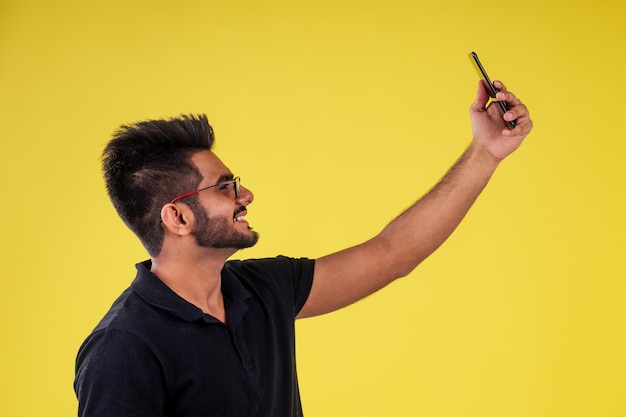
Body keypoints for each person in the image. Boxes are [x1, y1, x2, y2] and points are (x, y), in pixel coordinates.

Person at [74, 80, 532, 417]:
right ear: (177, 218)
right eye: (225, 187)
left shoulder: (262, 289)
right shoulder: (124, 348)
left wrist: (485, 152)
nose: (245, 195)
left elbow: (392, 254)